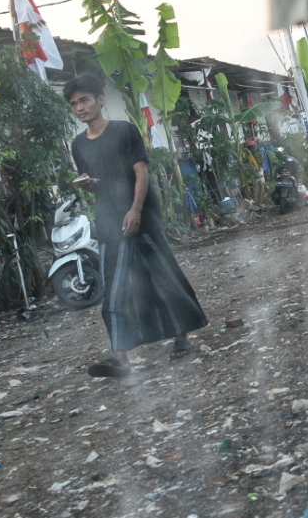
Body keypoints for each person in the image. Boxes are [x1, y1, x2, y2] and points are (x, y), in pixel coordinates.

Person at [63, 73, 208, 376]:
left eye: (85, 100)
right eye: (74, 103)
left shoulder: (125, 131)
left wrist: (136, 210)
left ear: (100, 100)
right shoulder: (78, 145)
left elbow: (141, 173)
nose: (80, 107)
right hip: (108, 222)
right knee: (114, 289)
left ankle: (181, 335)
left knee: (162, 278)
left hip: (141, 217)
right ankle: (120, 358)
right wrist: (88, 186)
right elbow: (96, 183)